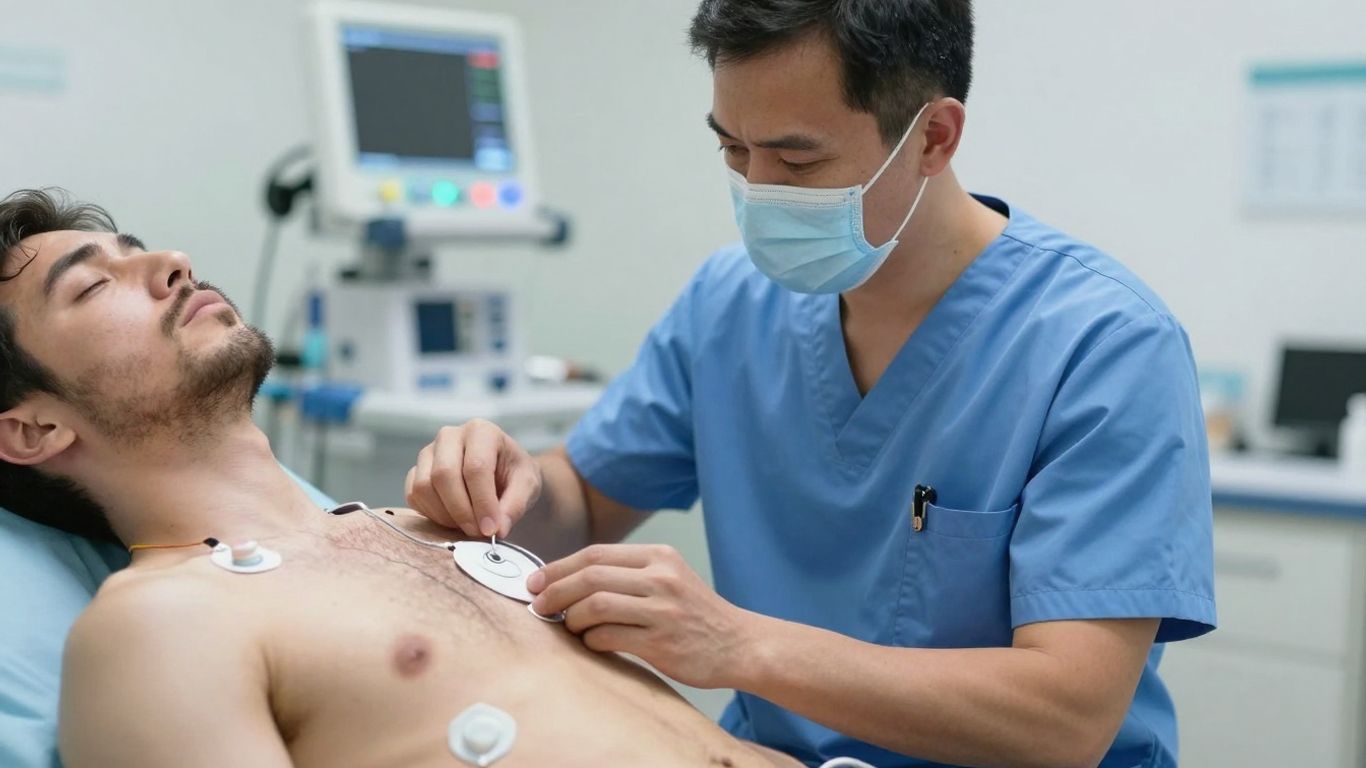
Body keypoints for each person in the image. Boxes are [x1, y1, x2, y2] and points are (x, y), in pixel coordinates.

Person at [401, 2, 1217, 767]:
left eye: (796, 156)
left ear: (933, 136)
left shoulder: (1102, 344)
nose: (757, 189)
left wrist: (739, 645)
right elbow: (584, 500)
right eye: (731, 148)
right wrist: (510, 487)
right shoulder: (730, 305)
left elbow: (1066, 717)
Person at [0, 188, 808, 768]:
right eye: (95, 282)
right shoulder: (158, 627)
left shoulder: (428, 526)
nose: (173, 263)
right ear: (32, 429)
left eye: (143, 249)